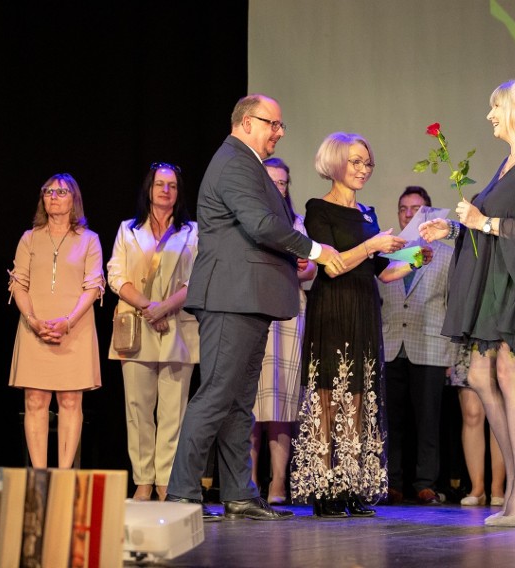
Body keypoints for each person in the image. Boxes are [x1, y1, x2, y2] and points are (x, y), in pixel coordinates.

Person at [167, 94, 344, 522]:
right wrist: (316, 250)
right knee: (216, 396)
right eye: (273, 124)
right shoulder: (234, 161)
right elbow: (262, 224)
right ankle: (183, 495)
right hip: (231, 297)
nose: (279, 132)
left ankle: (238, 493)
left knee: (238, 401)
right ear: (247, 122)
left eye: (280, 125)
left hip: (247, 297)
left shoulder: (245, 164)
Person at [419, 72, 515, 527]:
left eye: (495, 106)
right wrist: (456, 228)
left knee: (509, 374)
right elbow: (491, 219)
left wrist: (482, 222)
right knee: (480, 376)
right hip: (494, 281)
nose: (489, 115)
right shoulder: (510, 159)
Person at [291, 132, 431, 519]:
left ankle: (350, 486)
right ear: (335, 162)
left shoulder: (368, 213)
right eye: (355, 161)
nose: (363, 169)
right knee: (326, 400)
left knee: (356, 400)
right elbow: (333, 264)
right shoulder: (318, 209)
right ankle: (323, 489)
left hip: (364, 310)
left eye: (367, 163)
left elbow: (384, 274)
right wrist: (372, 246)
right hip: (332, 309)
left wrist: (417, 257)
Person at [107, 162, 199, 501]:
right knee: (138, 409)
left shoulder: (191, 232)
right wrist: (149, 307)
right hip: (137, 326)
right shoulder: (128, 231)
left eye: (172, 185)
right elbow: (115, 275)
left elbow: (197, 280)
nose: (165, 190)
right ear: (149, 188)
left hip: (177, 326)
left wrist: (165, 307)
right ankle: (143, 480)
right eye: (160, 184)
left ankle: (167, 483)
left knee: (173, 412)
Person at [8, 173, 104, 469]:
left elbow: (93, 287)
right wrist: (34, 320)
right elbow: (18, 283)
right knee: (35, 401)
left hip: (73, 330)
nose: (53, 196)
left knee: (70, 402)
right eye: (48, 191)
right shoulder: (29, 238)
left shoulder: (89, 240)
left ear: (74, 199)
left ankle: (64, 476)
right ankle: (39, 476)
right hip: (35, 329)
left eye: (61, 192)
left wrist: (68, 322)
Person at [378, 186, 455, 505]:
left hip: (431, 345)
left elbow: (453, 305)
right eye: (404, 208)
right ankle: (391, 481)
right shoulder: (385, 253)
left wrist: (454, 353)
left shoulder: (448, 255)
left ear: (430, 214)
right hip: (391, 343)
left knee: (427, 420)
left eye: (417, 209)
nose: (409, 214)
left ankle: (425, 482)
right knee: (389, 420)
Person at [249, 157, 317, 505]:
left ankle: (277, 484)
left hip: (288, 318)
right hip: (253, 314)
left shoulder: (296, 224)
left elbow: (311, 269)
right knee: (248, 408)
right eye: (272, 181)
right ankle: (246, 484)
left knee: (280, 405)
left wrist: (293, 269)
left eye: (283, 182)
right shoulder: (248, 219)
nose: (278, 187)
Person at [449, 345, 506, 507]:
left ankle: (497, 488)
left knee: (497, 415)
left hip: (501, 340)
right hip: (468, 340)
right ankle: (477, 488)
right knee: (471, 414)